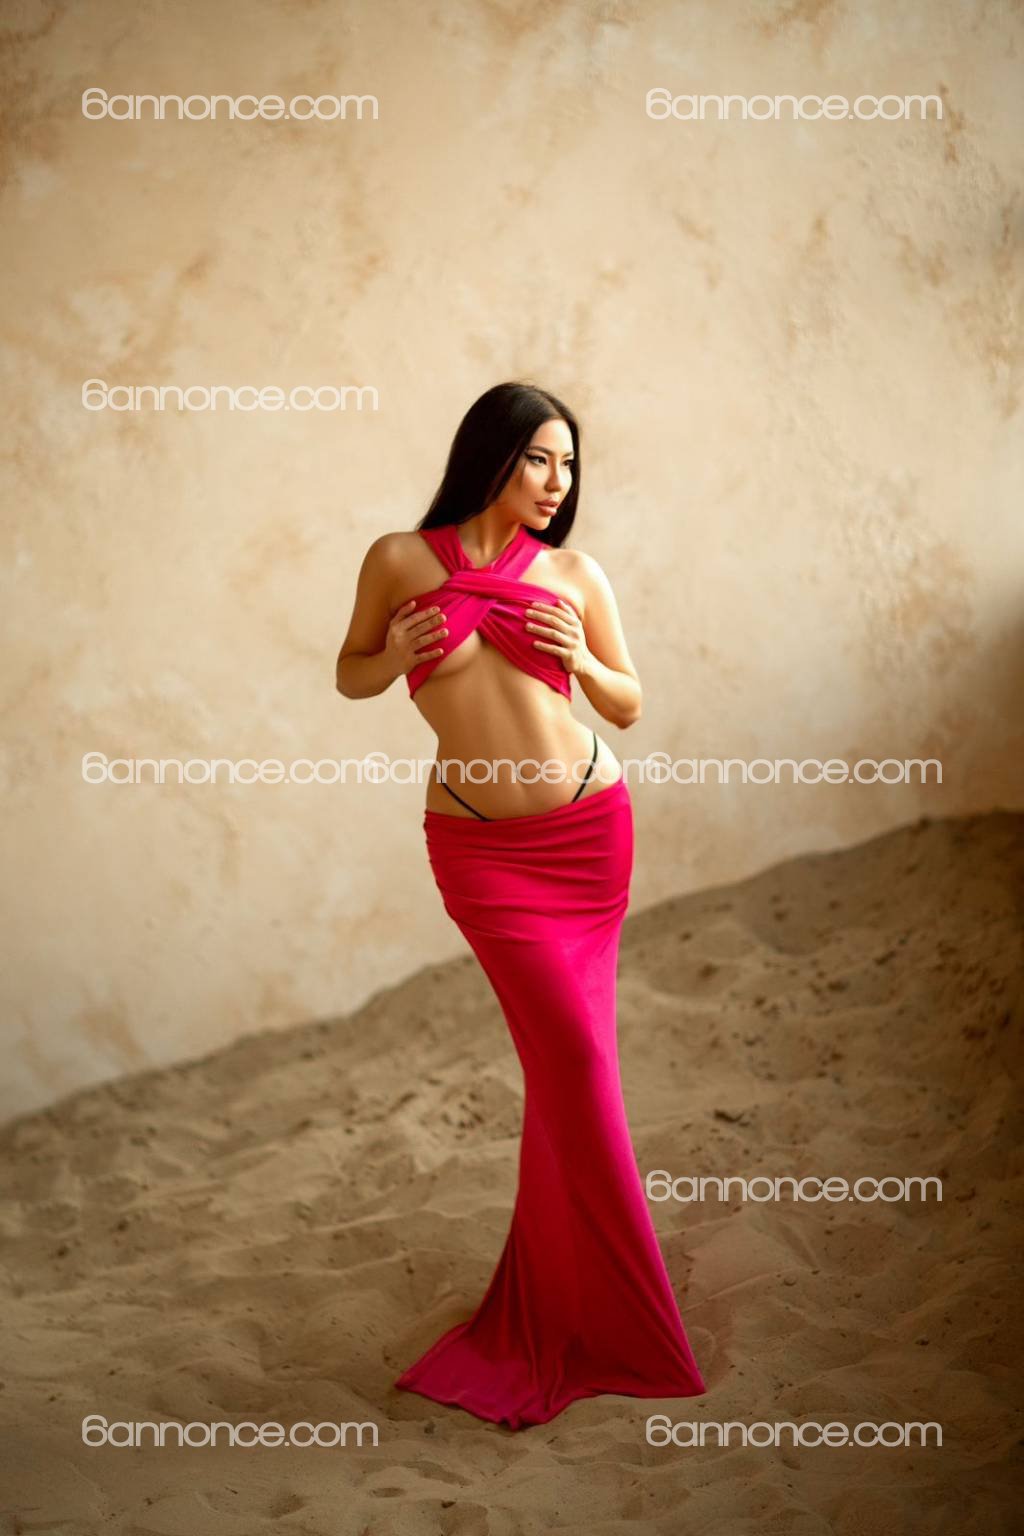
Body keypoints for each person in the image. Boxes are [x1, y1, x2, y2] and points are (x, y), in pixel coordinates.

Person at [336, 380, 706, 1429]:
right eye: (540, 458)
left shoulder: (575, 575)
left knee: (569, 1067)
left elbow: (628, 703)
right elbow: (349, 673)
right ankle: (609, 1315)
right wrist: (392, 659)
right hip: (484, 858)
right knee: (574, 1063)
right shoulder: (399, 560)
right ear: (490, 455)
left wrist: (581, 658)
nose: (558, 482)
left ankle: (588, 1306)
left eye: (568, 463)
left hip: (588, 838)